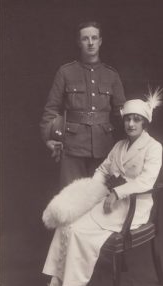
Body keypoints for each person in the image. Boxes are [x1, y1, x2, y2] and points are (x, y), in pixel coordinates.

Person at [34, 90, 163, 286]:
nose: (131, 124)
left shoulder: (154, 147)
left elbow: (146, 181)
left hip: (134, 207)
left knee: (76, 229)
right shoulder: (119, 146)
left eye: (137, 119)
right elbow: (103, 170)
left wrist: (116, 193)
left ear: (145, 123)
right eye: (128, 119)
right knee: (67, 223)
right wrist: (90, 191)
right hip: (110, 203)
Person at [40, 21, 126, 188]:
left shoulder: (111, 75)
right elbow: (51, 109)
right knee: (72, 202)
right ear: (79, 42)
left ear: (100, 41)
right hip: (72, 148)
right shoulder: (65, 72)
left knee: (101, 201)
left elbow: (122, 113)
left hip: (104, 148)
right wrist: (48, 138)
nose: (91, 42)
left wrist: (131, 143)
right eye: (85, 38)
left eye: (94, 38)